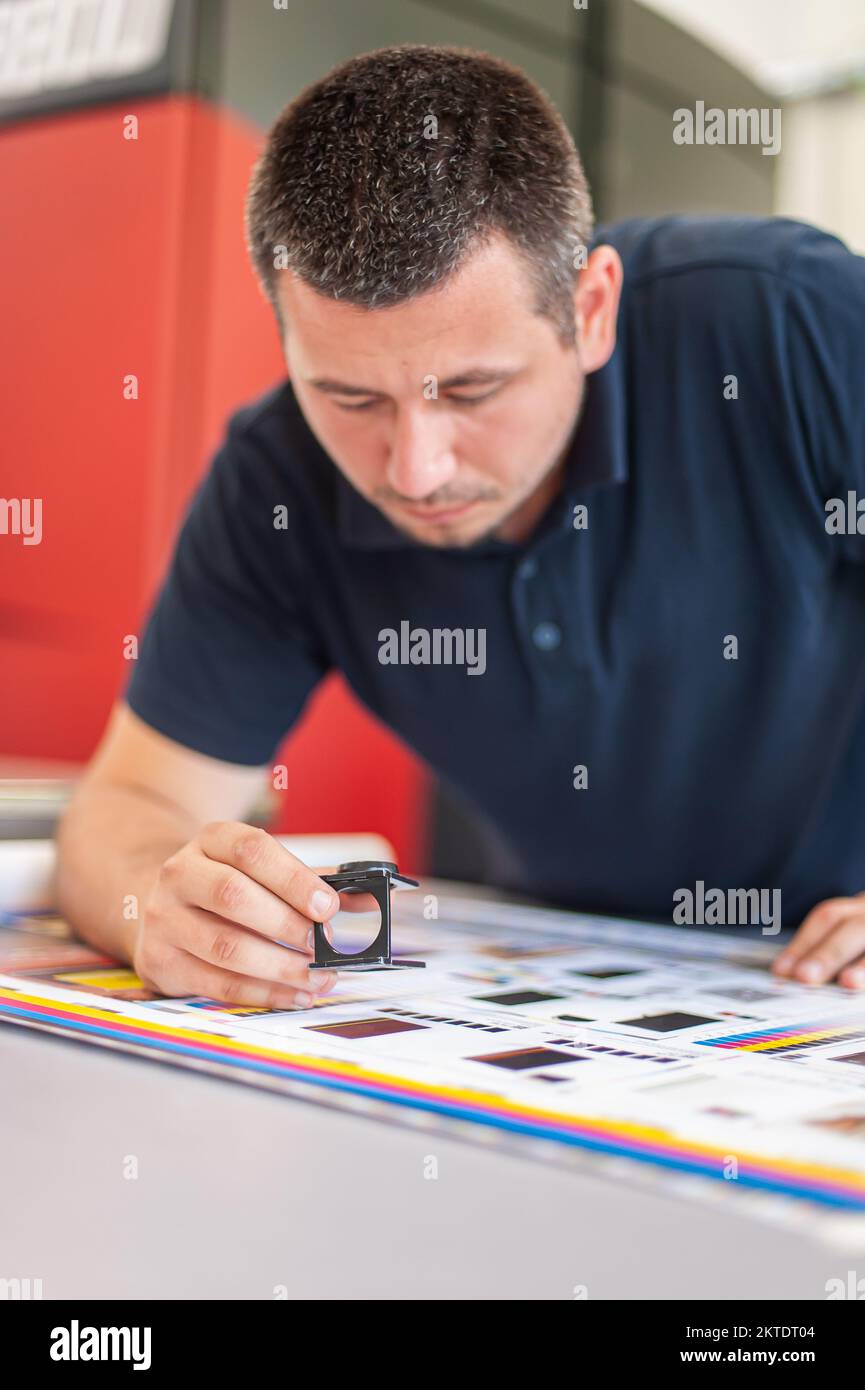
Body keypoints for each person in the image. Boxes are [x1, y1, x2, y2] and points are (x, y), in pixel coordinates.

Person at [56, 45, 865, 1006]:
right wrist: (160, 902)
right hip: (591, 989)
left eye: (474, 390)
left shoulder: (788, 322)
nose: (415, 469)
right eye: (349, 397)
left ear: (592, 309)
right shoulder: (273, 482)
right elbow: (128, 807)